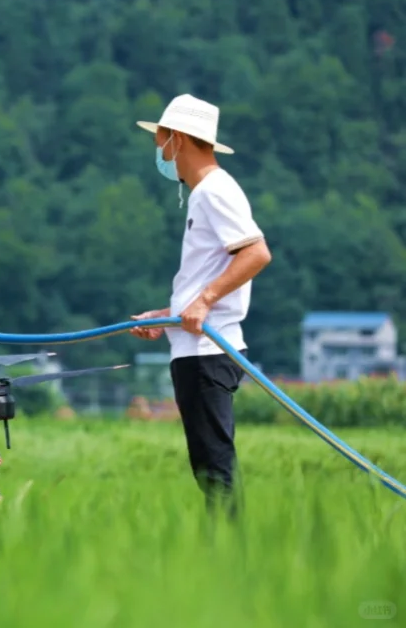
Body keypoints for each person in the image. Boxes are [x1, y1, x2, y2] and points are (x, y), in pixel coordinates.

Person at [129, 94, 272, 519]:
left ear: (177, 139)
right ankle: (225, 558)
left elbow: (256, 253)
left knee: (215, 471)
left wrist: (205, 301)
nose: (159, 152)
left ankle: (230, 565)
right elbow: (205, 277)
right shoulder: (204, 194)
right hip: (194, 348)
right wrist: (168, 317)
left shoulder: (214, 190)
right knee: (209, 470)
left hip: (208, 353)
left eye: (160, 141)